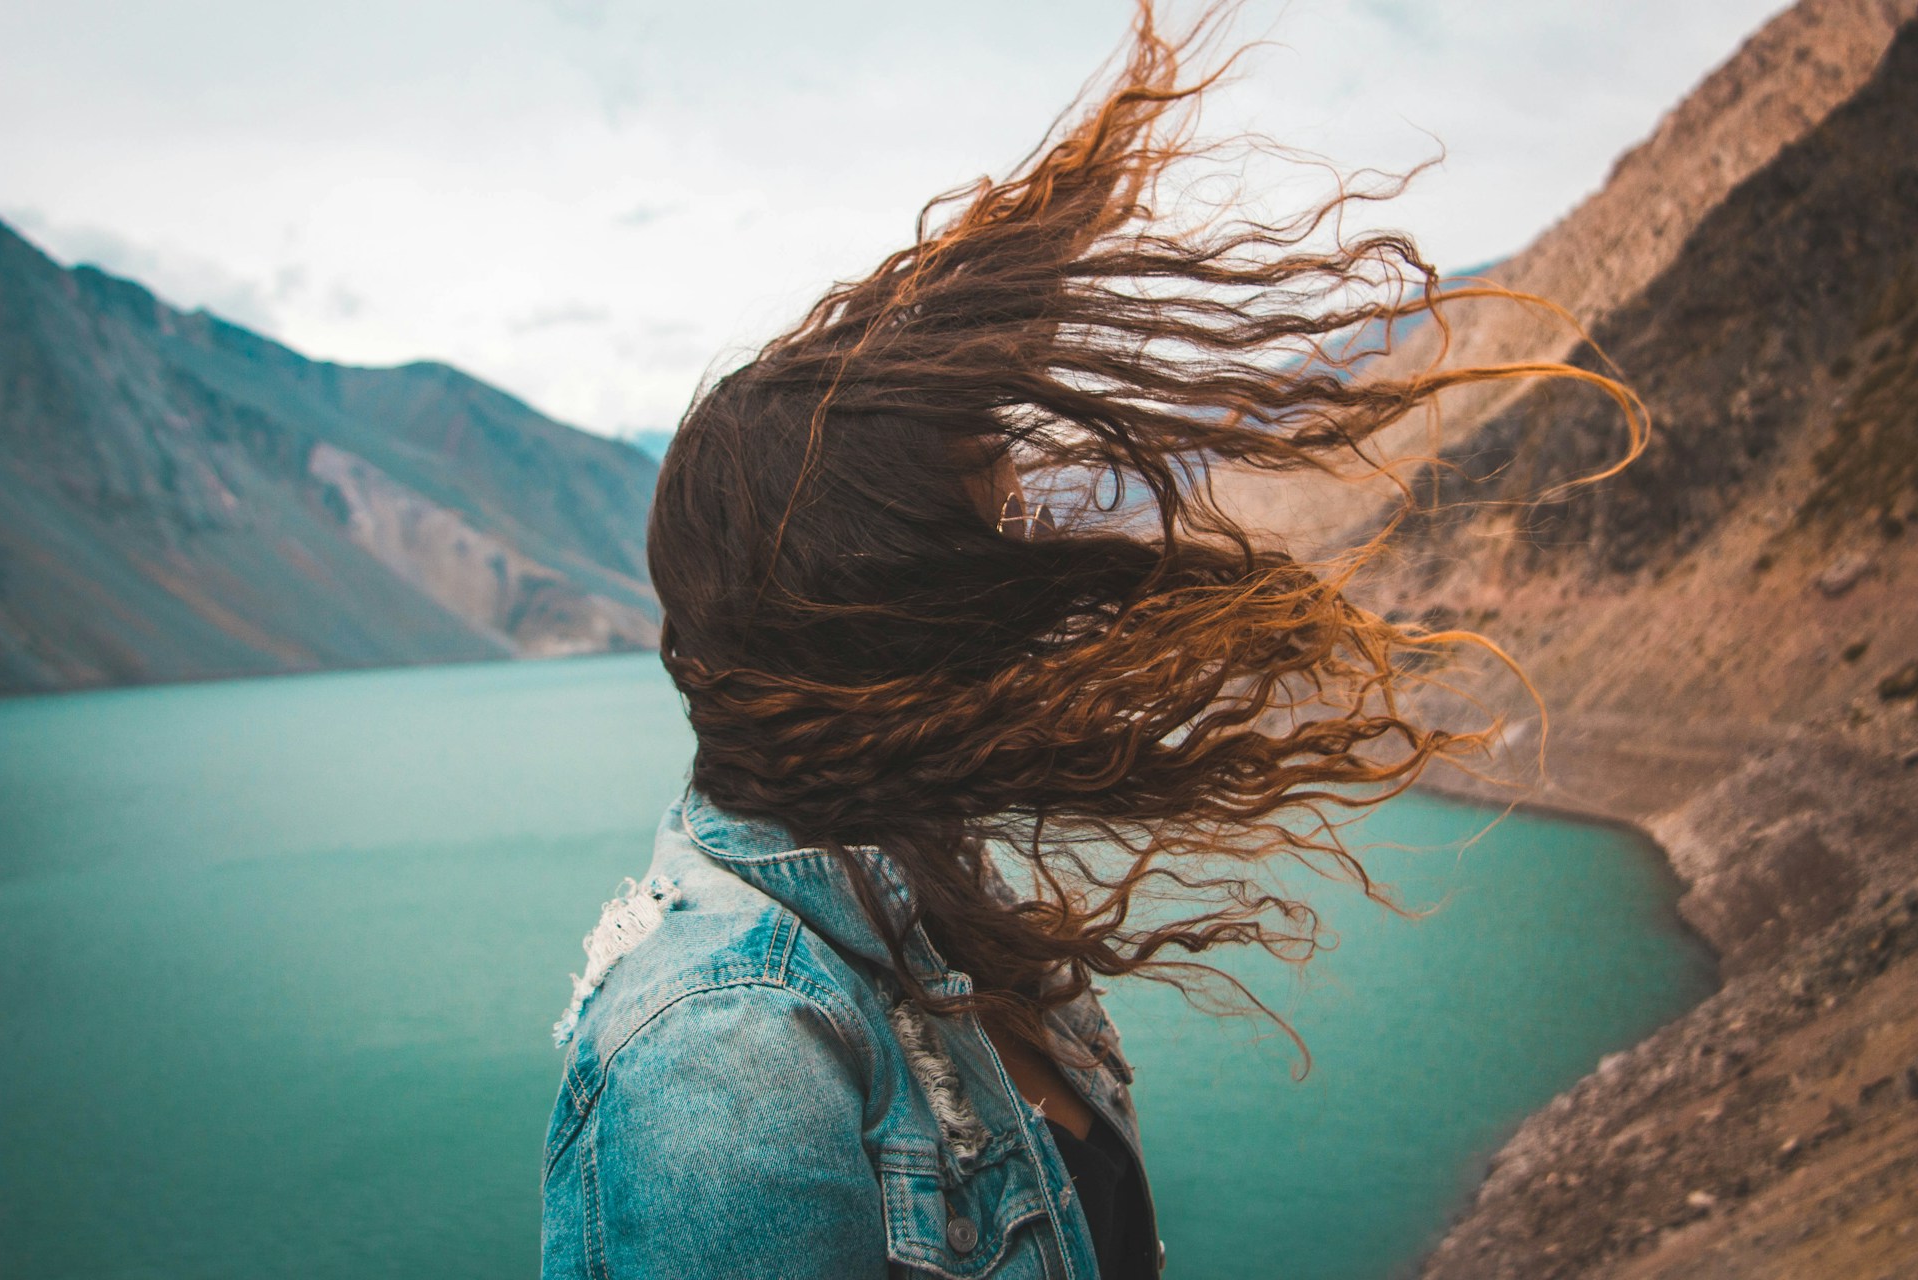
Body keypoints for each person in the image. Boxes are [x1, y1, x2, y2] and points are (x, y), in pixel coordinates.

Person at [539, 4, 1641, 1277]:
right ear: (877, 611)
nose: (1030, 577)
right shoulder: (724, 1049)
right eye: (985, 539)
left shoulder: (929, 903)